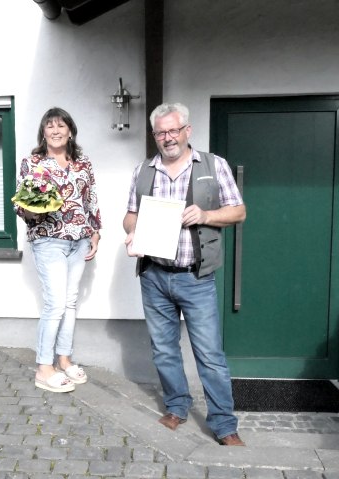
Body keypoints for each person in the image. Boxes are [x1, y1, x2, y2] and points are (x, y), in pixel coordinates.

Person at [123, 102, 247, 446]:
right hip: (154, 276)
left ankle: (224, 424)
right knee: (163, 349)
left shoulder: (213, 165)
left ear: (187, 131)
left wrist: (205, 215)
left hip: (195, 277)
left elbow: (238, 212)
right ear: (154, 136)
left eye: (173, 130)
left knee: (209, 354)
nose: (167, 138)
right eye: (161, 132)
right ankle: (176, 407)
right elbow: (129, 217)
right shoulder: (143, 170)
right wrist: (135, 230)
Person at [15, 107, 102, 393]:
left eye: (61, 126)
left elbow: (91, 200)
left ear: (70, 131)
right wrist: (31, 211)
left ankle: (64, 359)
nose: (55, 131)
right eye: (50, 126)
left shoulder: (82, 162)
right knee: (54, 304)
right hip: (48, 238)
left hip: (79, 239)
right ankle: (43, 367)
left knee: (70, 302)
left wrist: (96, 232)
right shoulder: (33, 162)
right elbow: (21, 203)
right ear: (43, 132)